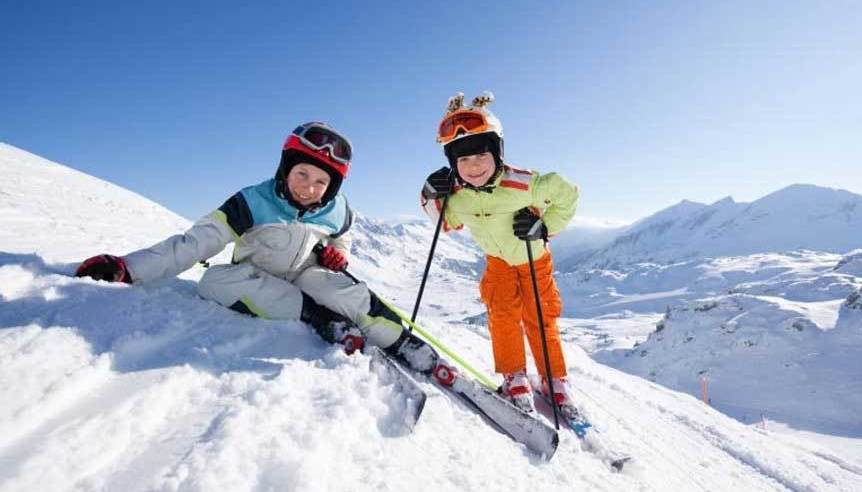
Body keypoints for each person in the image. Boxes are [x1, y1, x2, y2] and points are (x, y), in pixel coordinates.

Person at [76, 121, 455, 384]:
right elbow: (196, 242)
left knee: (344, 290)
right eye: (302, 174)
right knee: (213, 281)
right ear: (285, 168)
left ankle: (402, 341)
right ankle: (318, 317)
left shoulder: (336, 209)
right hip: (257, 277)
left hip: (306, 272)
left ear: (334, 186)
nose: (309, 188)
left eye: (322, 182)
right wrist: (128, 268)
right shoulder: (251, 201)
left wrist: (337, 253)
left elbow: (344, 235)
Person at [419, 92, 579, 413]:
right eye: (462, 160)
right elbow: (445, 223)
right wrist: (431, 196)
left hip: (535, 262)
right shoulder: (459, 196)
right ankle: (514, 375)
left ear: (498, 152)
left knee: (540, 317)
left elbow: (568, 193)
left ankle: (553, 378)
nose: (473, 166)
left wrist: (544, 227)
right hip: (498, 264)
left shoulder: (524, 184)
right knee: (502, 316)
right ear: (453, 164)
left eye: (480, 156)